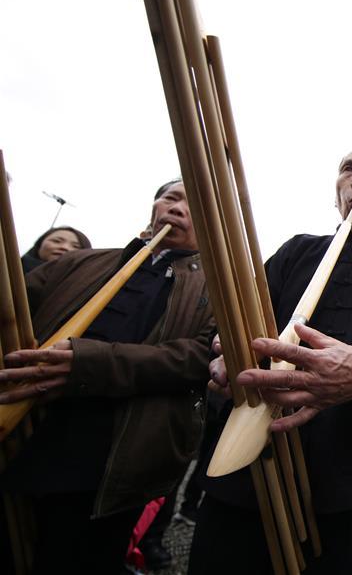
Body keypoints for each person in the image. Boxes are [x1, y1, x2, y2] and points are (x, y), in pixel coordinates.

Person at [189, 145, 352, 575]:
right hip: (256, 460)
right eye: (348, 170)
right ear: (336, 192)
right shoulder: (297, 251)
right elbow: (244, 315)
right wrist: (228, 353)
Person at [0, 180, 214, 574]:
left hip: (115, 456)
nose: (177, 207)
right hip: (29, 430)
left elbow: (200, 356)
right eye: (170, 197)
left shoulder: (217, 290)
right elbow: (14, 305)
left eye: (194, 202)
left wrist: (89, 363)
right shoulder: (84, 262)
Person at [20, 225, 91, 273]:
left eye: (76, 246)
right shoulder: (11, 270)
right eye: (56, 241)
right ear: (40, 244)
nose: (64, 247)